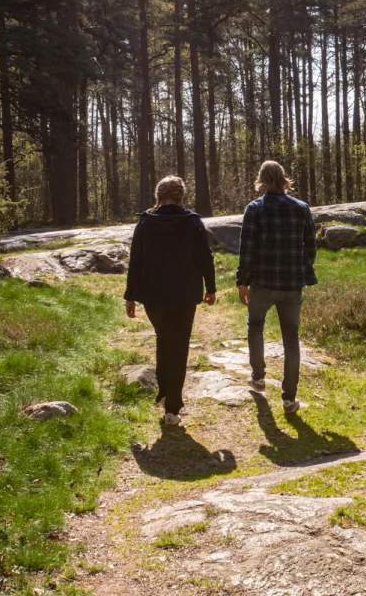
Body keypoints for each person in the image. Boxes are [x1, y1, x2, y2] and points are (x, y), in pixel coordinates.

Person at [124, 176, 216, 427]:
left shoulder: (145, 222)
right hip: (185, 294)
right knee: (179, 344)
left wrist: (130, 295)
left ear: (159, 195)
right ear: (181, 195)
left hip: (153, 295)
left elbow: (136, 260)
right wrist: (211, 288)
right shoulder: (192, 222)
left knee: (164, 339)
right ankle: (172, 404)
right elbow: (205, 257)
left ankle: (166, 392)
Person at [236, 160, 317, 413]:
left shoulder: (255, 209)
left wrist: (243, 281)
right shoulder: (301, 208)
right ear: (284, 178)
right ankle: (289, 398)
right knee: (291, 339)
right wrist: (300, 269)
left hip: (263, 282)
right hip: (292, 284)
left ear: (261, 179)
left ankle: (258, 377)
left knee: (256, 325)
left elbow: (246, 249)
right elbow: (311, 246)